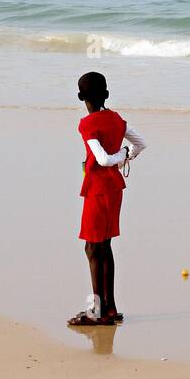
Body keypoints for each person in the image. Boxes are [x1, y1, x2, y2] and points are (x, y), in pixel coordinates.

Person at [69, 71, 146, 326]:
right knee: (105, 246)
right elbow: (140, 144)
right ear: (107, 94)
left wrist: (118, 156)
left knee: (92, 247)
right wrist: (125, 155)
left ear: (81, 97)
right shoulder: (117, 120)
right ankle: (110, 308)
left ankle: (96, 312)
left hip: (96, 189)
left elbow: (101, 159)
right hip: (115, 189)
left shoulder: (87, 124)